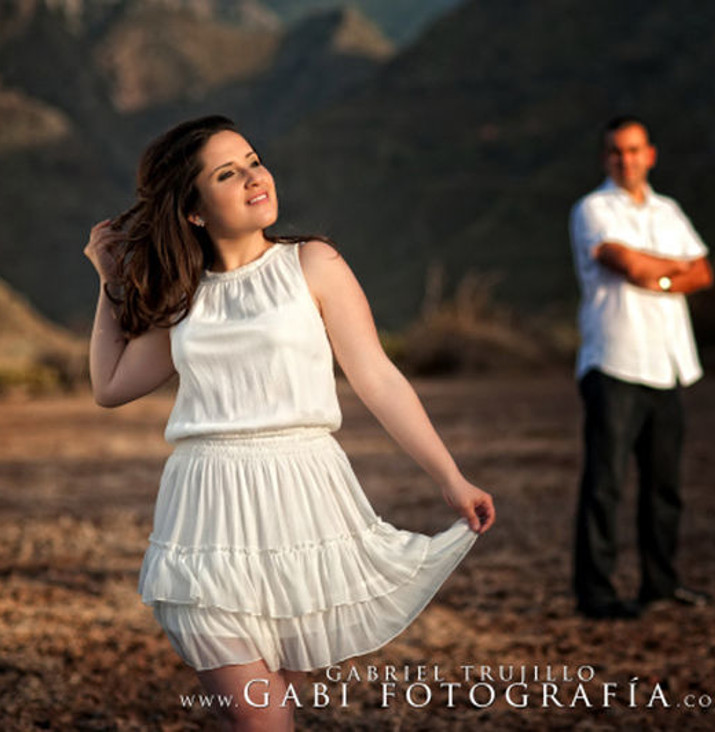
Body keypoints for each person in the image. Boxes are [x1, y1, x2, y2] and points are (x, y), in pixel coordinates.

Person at [83, 115, 495, 730]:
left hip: (303, 502)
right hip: (206, 509)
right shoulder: (184, 296)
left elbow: (378, 378)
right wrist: (110, 282)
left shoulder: (313, 264)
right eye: (227, 174)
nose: (255, 177)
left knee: (272, 714)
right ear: (193, 210)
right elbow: (110, 385)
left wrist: (450, 478)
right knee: (260, 720)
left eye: (254, 160)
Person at [569, 116, 713, 620]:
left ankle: (661, 583)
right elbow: (627, 266)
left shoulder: (667, 210)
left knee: (664, 485)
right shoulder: (593, 208)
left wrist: (661, 277)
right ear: (605, 157)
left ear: (649, 154)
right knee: (605, 483)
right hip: (615, 361)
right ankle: (596, 593)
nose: (625, 159)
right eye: (616, 151)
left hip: (668, 364)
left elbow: (703, 272)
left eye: (633, 150)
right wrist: (672, 266)